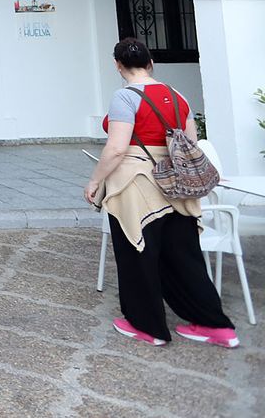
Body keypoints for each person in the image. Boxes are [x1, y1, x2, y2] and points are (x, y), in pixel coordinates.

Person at [84, 36, 237, 348]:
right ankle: (216, 326)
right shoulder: (177, 95)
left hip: (137, 185)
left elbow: (116, 148)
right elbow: (190, 143)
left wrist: (95, 181)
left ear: (118, 65)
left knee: (138, 254)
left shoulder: (124, 98)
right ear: (151, 63)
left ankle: (149, 326)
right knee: (186, 257)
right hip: (177, 185)